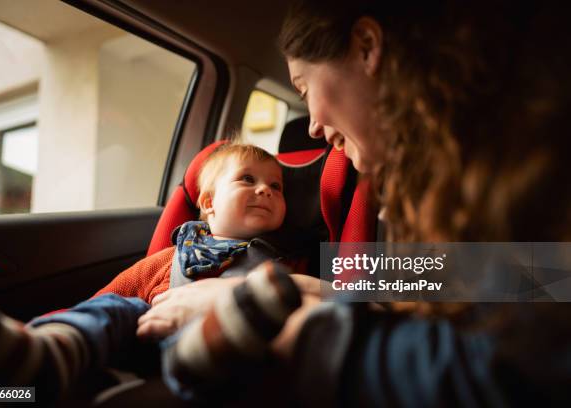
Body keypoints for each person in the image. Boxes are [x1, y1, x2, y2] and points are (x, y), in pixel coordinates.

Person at [141, 0, 571, 406]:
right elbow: (513, 277)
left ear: (366, 48)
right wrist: (310, 289)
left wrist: (266, 325)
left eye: (304, 89)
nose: (310, 127)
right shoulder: (474, 170)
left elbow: (513, 364)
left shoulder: (538, 164)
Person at [0, 143, 305, 402]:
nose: (266, 190)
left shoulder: (285, 257)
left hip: (218, 338)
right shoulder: (173, 255)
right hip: (145, 329)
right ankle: (48, 353)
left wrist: (273, 287)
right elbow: (118, 290)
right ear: (210, 202)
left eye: (277, 187)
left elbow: (353, 291)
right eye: (248, 180)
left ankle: (195, 358)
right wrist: (70, 317)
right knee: (116, 309)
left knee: (250, 312)